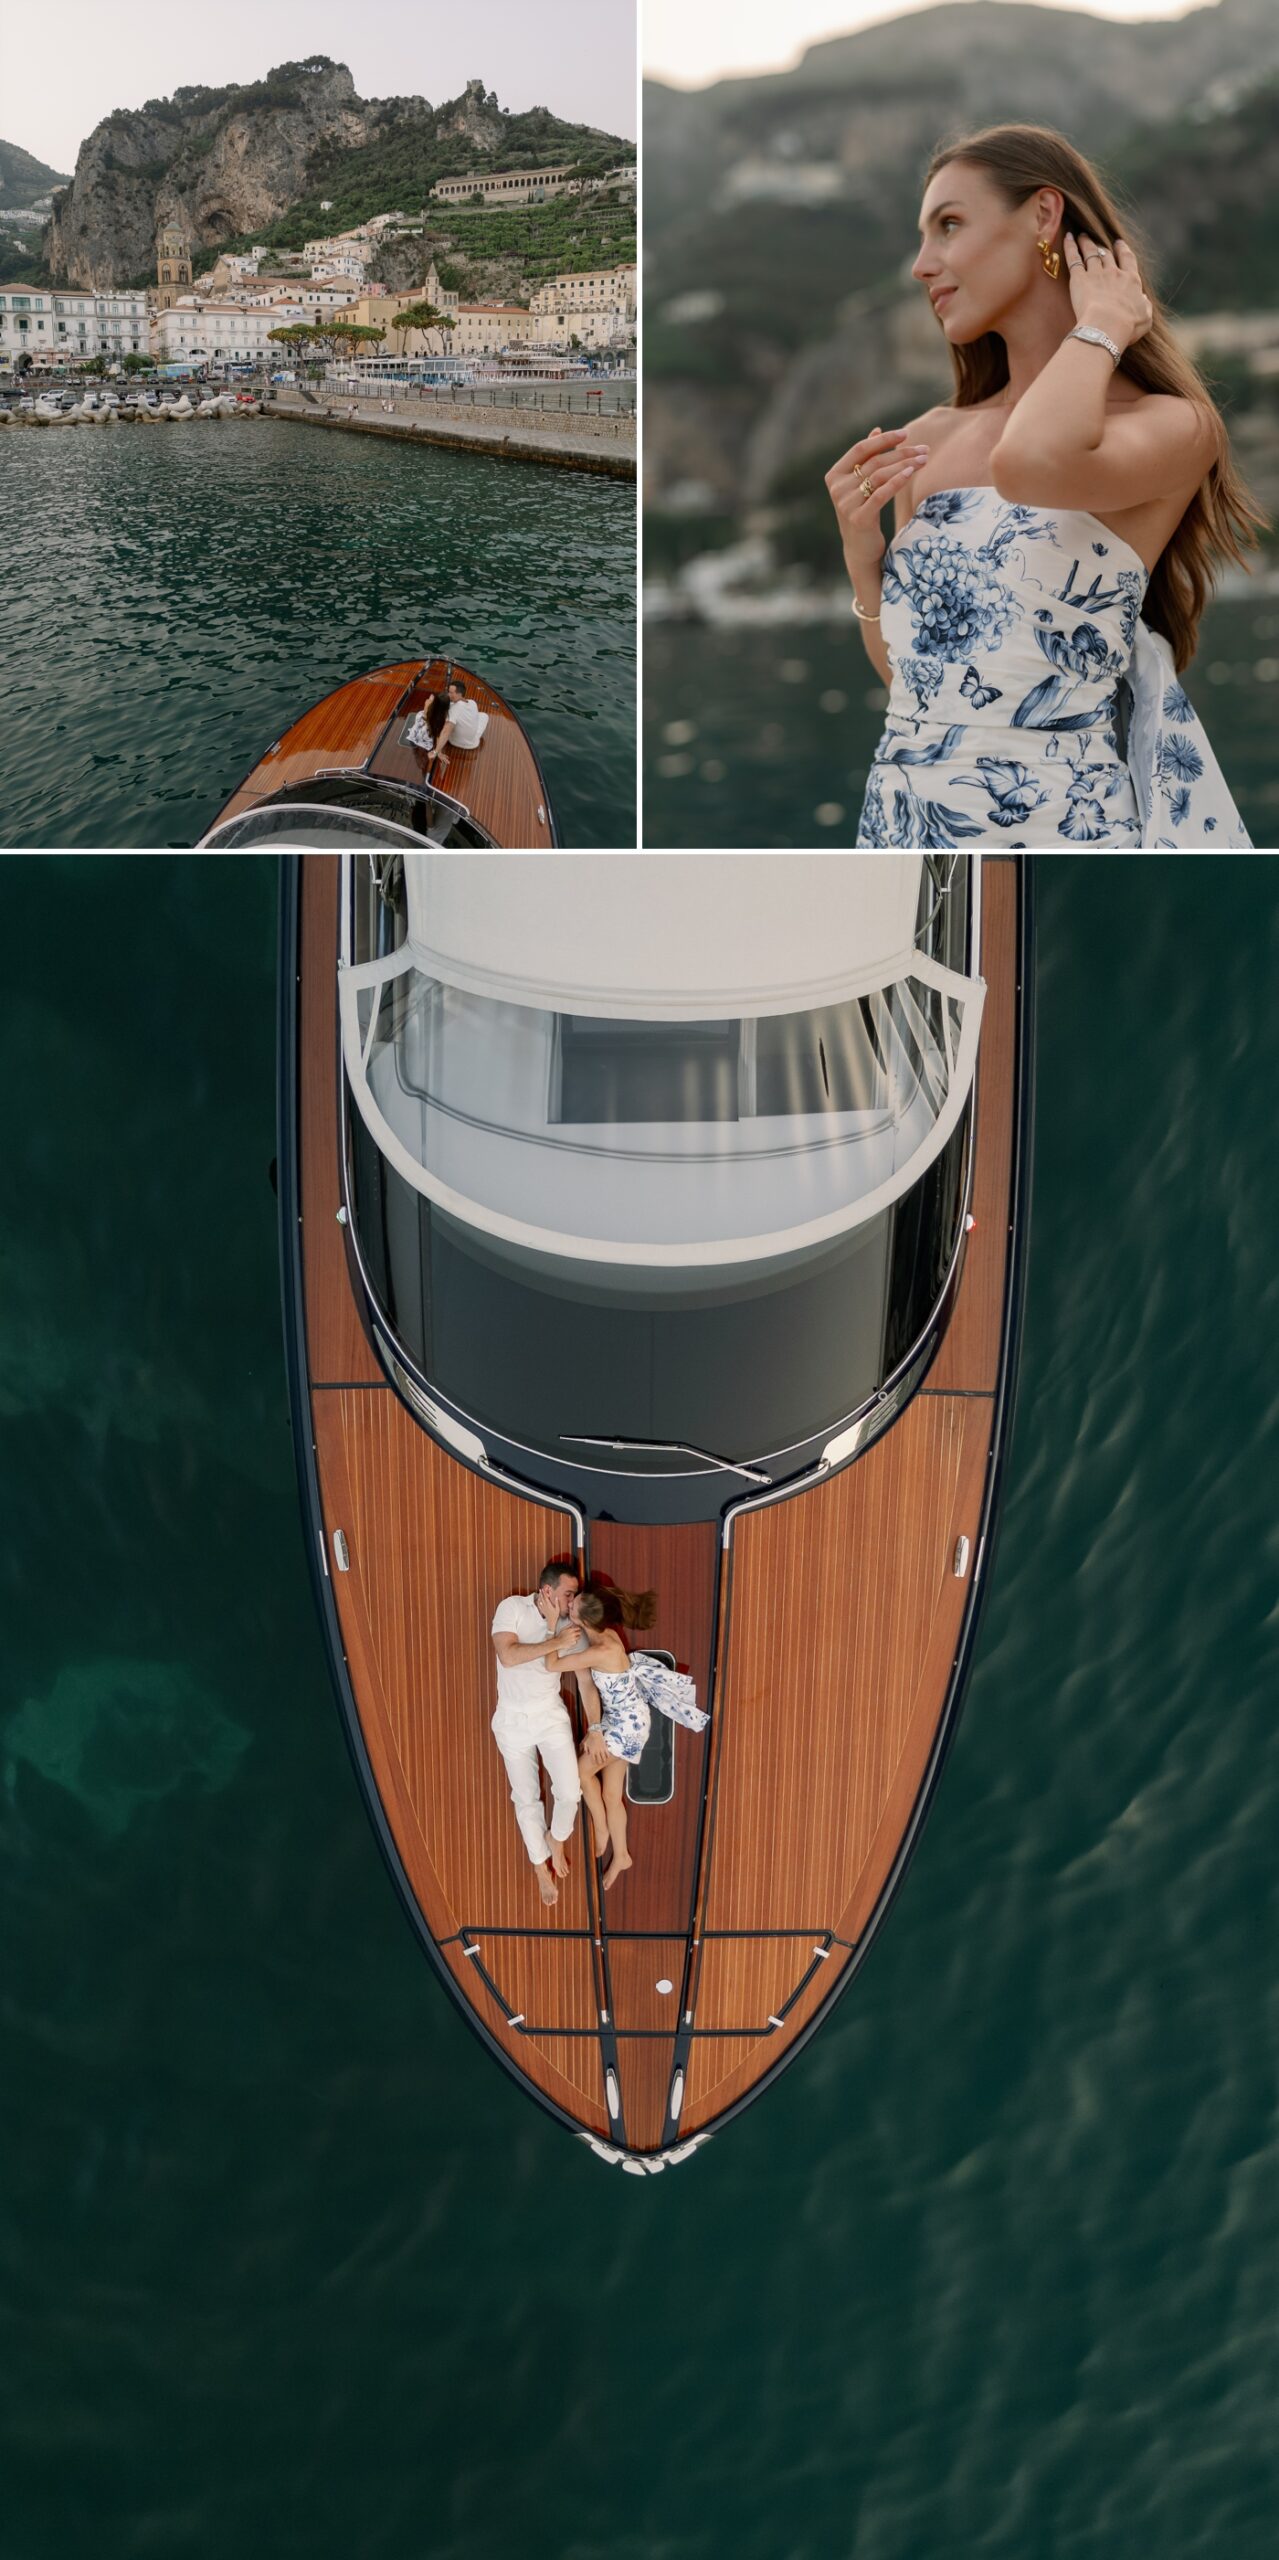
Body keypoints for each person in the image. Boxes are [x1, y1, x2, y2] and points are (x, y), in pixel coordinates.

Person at [825, 124, 1264, 848]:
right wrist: (861, 560)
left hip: (1055, 823)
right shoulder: (927, 437)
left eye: (948, 225)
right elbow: (910, 686)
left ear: (1041, 216)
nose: (919, 265)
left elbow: (1026, 464)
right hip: (897, 817)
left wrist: (1101, 322)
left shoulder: (1174, 426)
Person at [552, 1592, 708, 1893]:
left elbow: (552, 1665)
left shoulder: (601, 1649)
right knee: (611, 1794)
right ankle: (622, 1856)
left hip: (627, 1725)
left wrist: (553, 1632)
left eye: (573, 1605)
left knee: (581, 1773)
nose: (569, 1604)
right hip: (624, 1718)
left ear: (583, 1621)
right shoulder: (604, 1636)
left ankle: (601, 1828)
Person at [490, 1560, 581, 1908]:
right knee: (526, 1798)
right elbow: (509, 1656)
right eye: (568, 1594)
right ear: (546, 1591)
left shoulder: (570, 1623)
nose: (572, 1601)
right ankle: (540, 1867)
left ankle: (557, 1838)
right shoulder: (512, 1608)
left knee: (570, 1792)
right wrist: (554, 1637)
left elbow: (567, 1668)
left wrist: (559, 1630)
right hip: (512, 1719)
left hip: (549, 1715)